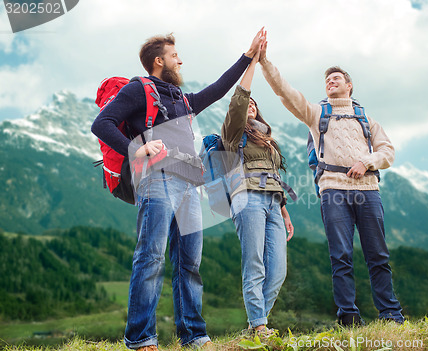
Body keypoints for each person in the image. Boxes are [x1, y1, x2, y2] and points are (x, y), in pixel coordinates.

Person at [91, 29, 265, 350]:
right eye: (174, 56)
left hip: (188, 182)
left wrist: (248, 55)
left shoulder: (183, 99)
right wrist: (136, 147)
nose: (180, 60)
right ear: (159, 61)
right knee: (152, 257)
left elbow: (218, 88)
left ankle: (194, 336)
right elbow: (101, 123)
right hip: (157, 178)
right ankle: (142, 339)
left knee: (190, 263)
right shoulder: (137, 90)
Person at [258, 38, 404, 326]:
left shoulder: (366, 119)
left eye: (336, 78)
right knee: (341, 256)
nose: (330, 82)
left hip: (369, 190)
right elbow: (286, 93)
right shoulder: (317, 114)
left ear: (349, 85)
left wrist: (368, 162)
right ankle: (348, 317)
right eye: (327, 80)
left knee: (378, 254)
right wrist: (264, 62)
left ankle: (390, 314)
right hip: (333, 190)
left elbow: (388, 151)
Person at [220, 41, 294, 335]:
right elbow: (239, 99)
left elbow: (274, 174)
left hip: (273, 203)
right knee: (255, 264)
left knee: (277, 270)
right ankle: (260, 326)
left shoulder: (268, 139)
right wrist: (253, 62)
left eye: (254, 104)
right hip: (246, 198)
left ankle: (253, 326)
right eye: (248, 104)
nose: (250, 105)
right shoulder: (233, 133)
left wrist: (285, 211)